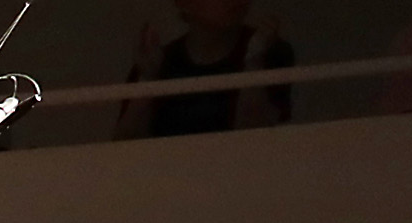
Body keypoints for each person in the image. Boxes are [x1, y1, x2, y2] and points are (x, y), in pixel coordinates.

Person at [119, 0, 299, 136]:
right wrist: (147, 80)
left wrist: (254, 62)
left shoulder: (269, 51)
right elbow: (124, 147)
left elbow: (256, 140)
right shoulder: (157, 62)